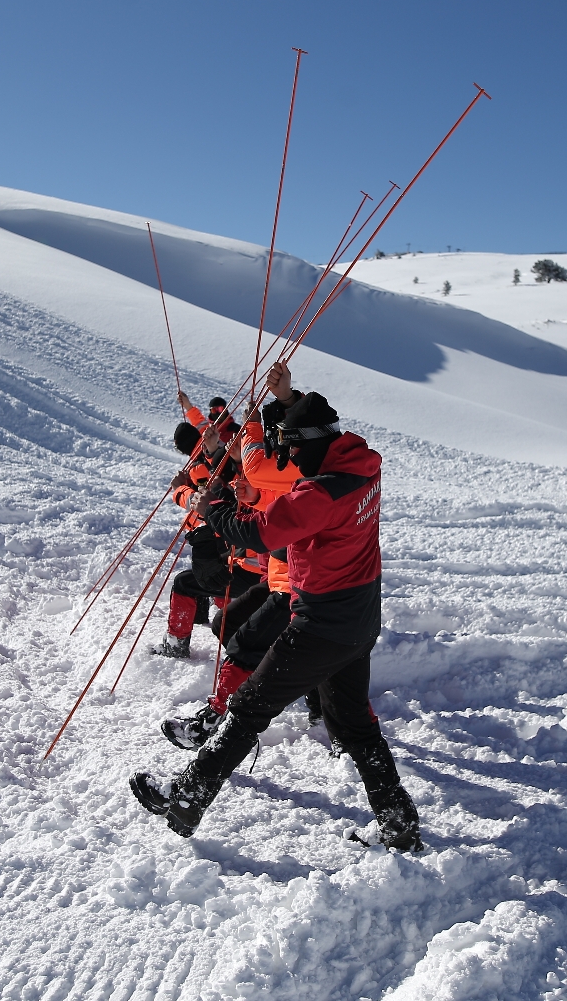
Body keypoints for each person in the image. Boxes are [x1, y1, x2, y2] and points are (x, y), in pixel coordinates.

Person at [132, 363, 422, 851]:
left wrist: (214, 509)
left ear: (309, 444)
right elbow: (307, 449)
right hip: (360, 617)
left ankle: (186, 796)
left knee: (248, 708)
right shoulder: (363, 465)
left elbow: (259, 535)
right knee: (356, 724)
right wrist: (287, 401)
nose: (286, 457)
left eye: (289, 447)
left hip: (321, 622)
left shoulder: (318, 492)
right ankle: (399, 823)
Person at [161, 389, 306, 747]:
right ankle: (260, 684)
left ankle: (219, 710)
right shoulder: (255, 469)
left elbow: (225, 503)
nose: (236, 447)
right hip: (268, 573)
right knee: (226, 623)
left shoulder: (270, 472)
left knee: (197, 593)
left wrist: (185, 495)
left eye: (245, 443)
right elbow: (230, 485)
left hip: (274, 576)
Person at [154, 394, 260, 659]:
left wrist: (181, 491)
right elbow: (202, 426)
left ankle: (177, 643)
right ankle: (203, 612)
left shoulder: (209, 468)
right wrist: (188, 407)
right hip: (244, 552)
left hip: (246, 558)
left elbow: (208, 499)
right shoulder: (222, 449)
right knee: (206, 568)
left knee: (196, 575)